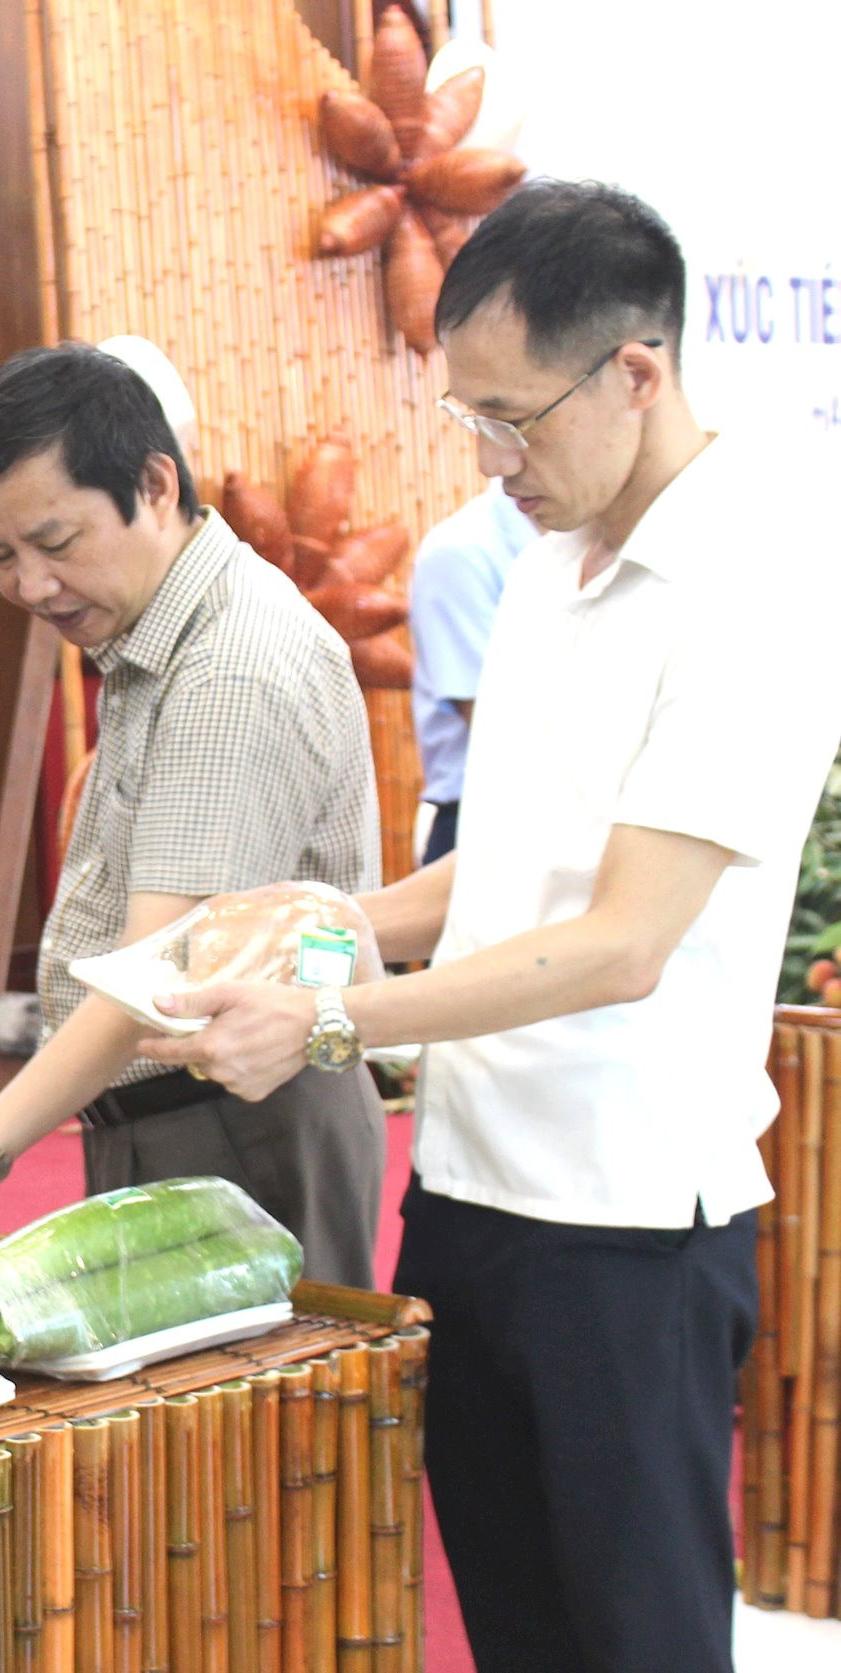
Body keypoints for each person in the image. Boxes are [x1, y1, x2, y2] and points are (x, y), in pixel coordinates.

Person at [146, 182, 841, 1673]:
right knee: (518, 1621)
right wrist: (338, 918)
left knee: (638, 1638)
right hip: (471, 1190)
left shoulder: (753, 587)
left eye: (513, 418)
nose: (493, 460)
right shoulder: (538, 566)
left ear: (637, 371)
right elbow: (510, 862)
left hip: (633, 1227)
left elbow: (620, 943)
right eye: (469, 418)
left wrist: (332, 1021)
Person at [0, 343, 385, 1285]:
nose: (30, 587)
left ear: (155, 483)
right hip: (176, 1112)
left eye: (56, 544)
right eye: (1, 556)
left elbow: (158, 974)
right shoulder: (163, 627)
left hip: (238, 1122)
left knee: (253, 1427)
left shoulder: (231, 669)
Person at [408, 483, 538, 863]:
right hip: (482, 814)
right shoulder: (462, 551)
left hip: (572, 809)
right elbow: (496, 724)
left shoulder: (583, 543)